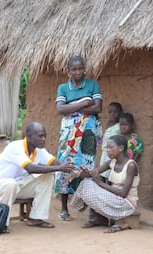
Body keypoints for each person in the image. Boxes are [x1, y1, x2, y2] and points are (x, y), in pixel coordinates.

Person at [0, 122, 74, 230]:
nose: (44, 139)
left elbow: (55, 163)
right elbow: (30, 168)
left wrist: (73, 169)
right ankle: (2, 223)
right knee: (10, 183)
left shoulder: (39, 150)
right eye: (40, 136)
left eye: (44, 136)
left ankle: (35, 218)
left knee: (48, 177)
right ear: (29, 136)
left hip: (17, 186)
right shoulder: (15, 147)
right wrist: (59, 168)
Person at [54, 55, 103, 221]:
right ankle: (64, 208)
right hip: (68, 134)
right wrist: (84, 102)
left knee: (87, 165)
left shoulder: (92, 84)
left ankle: (88, 206)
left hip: (88, 132)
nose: (78, 72)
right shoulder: (63, 88)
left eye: (81, 68)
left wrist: (71, 106)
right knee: (65, 165)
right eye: (74, 69)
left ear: (84, 69)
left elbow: (98, 107)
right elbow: (60, 109)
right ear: (68, 71)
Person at [70, 134, 140, 233]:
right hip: (113, 197)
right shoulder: (111, 162)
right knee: (87, 183)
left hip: (126, 203)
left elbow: (124, 193)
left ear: (121, 148)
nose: (108, 150)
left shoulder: (131, 165)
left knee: (94, 187)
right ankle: (100, 219)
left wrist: (100, 183)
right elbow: (92, 173)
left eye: (111, 147)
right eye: (107, 147)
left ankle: (119, 222)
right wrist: (79, 172)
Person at [99, 102, 123, 180]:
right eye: (110, 112)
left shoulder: (120, 125)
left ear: (121, 112)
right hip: (105, 153)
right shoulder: (109, 124)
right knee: (103, 174)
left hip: (113, 153)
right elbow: (104, 137)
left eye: (115, 112)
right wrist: (99, 141)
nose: (112, 114)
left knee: (110, 175)